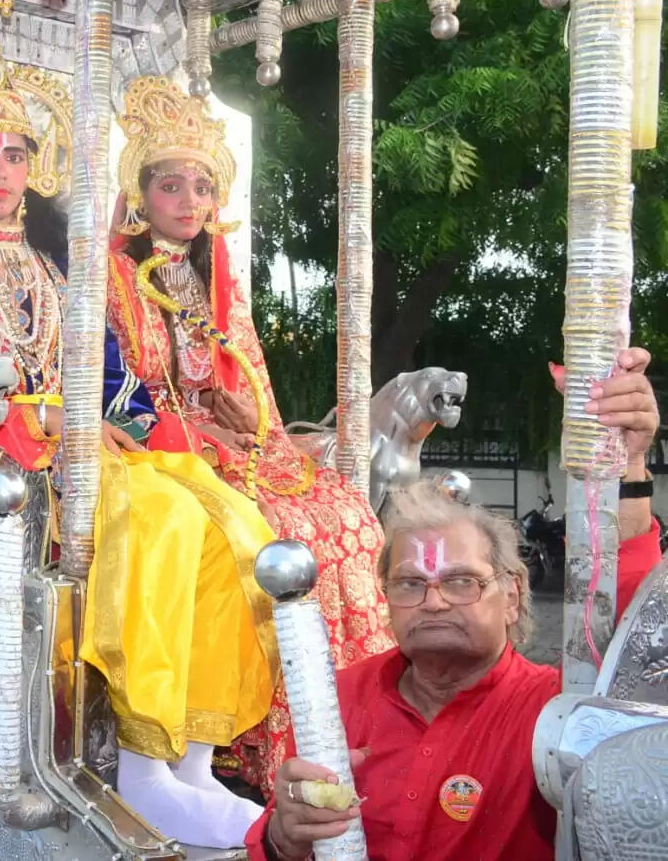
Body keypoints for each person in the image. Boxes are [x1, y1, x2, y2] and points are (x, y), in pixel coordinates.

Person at [0, 22, 275, 846]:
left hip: (89, 448)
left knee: (235, 522)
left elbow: (118, 376)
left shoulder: (62, 262)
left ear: (34, 165)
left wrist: (163, 431)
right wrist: (39, 413)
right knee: (163, 521)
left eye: (12, 152)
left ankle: (194, 756)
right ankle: (141, 758)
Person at [248, 347, 662, 861]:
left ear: (512, 596)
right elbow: (274, 842)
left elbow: (631, 628)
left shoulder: (555, 711)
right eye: (410, 584)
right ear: (386, 601)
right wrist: (283, 839)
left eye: (461, 582)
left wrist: (629, 464)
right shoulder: (336, 700)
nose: (434, 602)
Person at [106, 75, 392, 790]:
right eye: (172, 186)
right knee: (282, 526)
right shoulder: (113, 273)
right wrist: (191, 420)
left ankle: (359, 722)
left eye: (203, 188)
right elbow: (121, 383)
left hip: (223, 435)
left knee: (342, 508)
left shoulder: (214, 270)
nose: (191, 202)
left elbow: (246, 367)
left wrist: (257, 423)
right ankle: (264, 740)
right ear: (140, 192)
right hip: (163, 442)